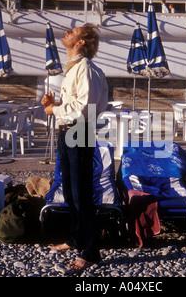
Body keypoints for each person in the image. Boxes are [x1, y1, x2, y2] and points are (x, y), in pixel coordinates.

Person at [41, 23, 108, 271]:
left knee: (81, 195)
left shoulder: (86, 69)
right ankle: (76, 238)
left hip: (79, 132)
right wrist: (55, 103)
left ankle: (91, 252)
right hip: (69, 132)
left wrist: (54, 109)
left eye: (74, 31)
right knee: (69, 191)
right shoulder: (73, 69)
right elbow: (76, 103)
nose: (67, 32)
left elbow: (85, 109)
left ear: (81, 42)